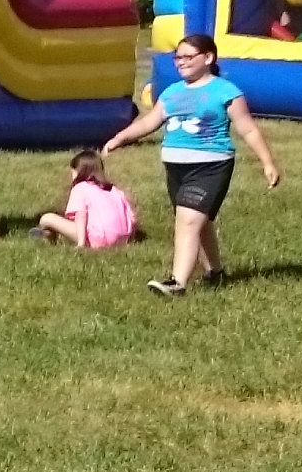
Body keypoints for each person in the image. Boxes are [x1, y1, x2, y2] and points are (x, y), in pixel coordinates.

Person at [100, 33, 280, 297]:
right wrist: (120, 138)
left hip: (210, 166)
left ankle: (177, 282)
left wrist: (267, 163)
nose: (180, 62)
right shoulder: (172, 92)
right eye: (177, 58)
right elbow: (150, 122)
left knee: (188, 221)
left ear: (208, 58)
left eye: (187, 57)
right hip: (176, 168)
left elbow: (248, 129)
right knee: (198, 220)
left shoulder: (225, 91)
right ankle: (215, 272)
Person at [32, 148, 140, 248]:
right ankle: (50, 234)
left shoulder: (80, 189)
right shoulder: (114, 190)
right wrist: (129, 239)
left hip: (99, 239)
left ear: (79, 172)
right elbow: (133, 219)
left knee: (47, 218)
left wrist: (81, 243)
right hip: (123, 239)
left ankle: (49, 233)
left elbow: (81, 215)